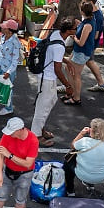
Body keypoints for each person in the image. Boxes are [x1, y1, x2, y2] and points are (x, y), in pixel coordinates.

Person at [31, 18, 76, 147]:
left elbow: (54, 56)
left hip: (45, 76)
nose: (77, 30)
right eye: (75, 28)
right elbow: (57, 69)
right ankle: (36, 135)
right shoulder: (59, 46)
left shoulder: (56, 34)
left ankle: (40, 129)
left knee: (50, 101)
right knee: (43, 107)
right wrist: (68, 85)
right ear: (68, 30)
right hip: (47, 78)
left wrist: (66, 61)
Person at [63, 118, 104, 195]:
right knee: (96, 160)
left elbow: (73, 145)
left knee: (68, 161)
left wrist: (81, 133)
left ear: (93, 131)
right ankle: (90, 185)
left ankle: (70, 190)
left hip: (86, 176)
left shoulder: (85, 141)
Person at [64, 1, 99, 106]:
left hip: (82, 52)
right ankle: (71, 92)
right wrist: (79, 24)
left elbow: (81, 42)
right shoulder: (89, 20)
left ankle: (76, 97)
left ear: (82, 11)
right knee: (67, 68)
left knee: (76, 75)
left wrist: (74, 37)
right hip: (78, 51)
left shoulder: (87, 25)